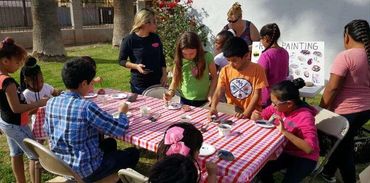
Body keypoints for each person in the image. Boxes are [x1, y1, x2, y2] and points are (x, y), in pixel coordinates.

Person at [44, 58, 140, 182]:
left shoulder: (51, 102)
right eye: (91, 83)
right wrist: (122, 113)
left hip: (62, 164)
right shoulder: (86, 107)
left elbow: (48, 130)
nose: (92, 87)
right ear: (84, 83)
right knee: (133, 153)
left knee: (110, 143)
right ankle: (114, 178)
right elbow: (119, 129)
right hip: (85, 171)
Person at [319, 19, 370, 183]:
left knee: (344, 147)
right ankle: (328, 172)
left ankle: (349, 180)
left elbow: (332, 88)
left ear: (347, 36)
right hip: (366, 110)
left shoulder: (346, 56)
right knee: (342, 142)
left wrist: (321, 108)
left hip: (347, 111)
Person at [251, 78, 319, 183]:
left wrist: (284, 132)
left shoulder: (305, 117)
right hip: (285, 151)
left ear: (289, 104)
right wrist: (256, 117)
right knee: (259, 168)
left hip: (304, 157)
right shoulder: (279, 107)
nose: (272, 106)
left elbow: (309, 148)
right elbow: (263, 116)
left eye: (274, 103)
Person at [0, 37, 47, 183]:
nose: (19, 66)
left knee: (15, 153)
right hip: (16, 124)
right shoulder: (8, 82)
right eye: (17, 62)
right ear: (5, 61)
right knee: (35, 154)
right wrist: (38, 103)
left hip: (5, 122)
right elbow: (16, 108)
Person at [210, 37, 268, 119]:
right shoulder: (225, 70)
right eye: (228, 60)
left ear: (246, 55)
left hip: (252, 111)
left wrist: (246, 113)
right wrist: (213, 107)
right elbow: (219, 90)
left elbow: (256, 95)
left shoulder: (258, 69)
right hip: (233, 110)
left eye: (234, 60)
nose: (231, 64)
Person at [119, 8, 167, 94]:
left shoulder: (155, 38)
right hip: (140, 85)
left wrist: (164, 75)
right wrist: (136, 66)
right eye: (154, 22)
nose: (156, 24)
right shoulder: (129, 40)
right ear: (145, 23)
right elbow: (121, 61)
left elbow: (162, 58)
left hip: (158, 82)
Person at [163, 32, 217, 107]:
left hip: (204, 100)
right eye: (184, 54)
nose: (188, 56)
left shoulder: (207, 57)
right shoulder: (179, 60)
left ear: (198, 49)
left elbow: (214, 77)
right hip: (185, 99)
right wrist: (170, 93)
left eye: (192, 53)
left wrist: (210, 94)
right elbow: (175, 80)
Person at [257, 23, 289, 108]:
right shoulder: (285, 52)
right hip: (281, 95)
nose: (261, 42)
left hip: (267, 98)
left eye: (261, 39)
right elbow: (286, 72)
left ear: (266, 38)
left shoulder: (265, 55)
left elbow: (261, 79)